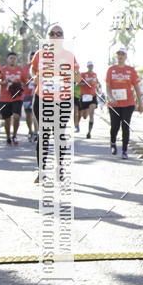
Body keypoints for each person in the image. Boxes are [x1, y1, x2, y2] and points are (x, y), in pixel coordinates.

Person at [31, 24, 81, 184]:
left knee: (59, 133)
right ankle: (41, 171)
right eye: (52, 33)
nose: (55, 36)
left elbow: (78, 78)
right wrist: (35, 77)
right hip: (42, 98)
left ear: (63, 37)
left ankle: (60, 170)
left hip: (63, 99)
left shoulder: (69, 55)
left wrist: (67, 73)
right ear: (48, 37)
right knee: (43, 134)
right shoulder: (40, 54)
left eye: (59, 33)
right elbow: (33, 70)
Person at [106, 48, 143, 158]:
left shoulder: (131, 70)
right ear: (116, 56)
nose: (120, 56)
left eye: (122, 54)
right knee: (115, 126)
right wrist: (110, 97)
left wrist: (140, 103)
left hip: (128, 103)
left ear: (126, 57)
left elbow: (137, 87)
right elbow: (107, 87)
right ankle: (113, 142)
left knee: (125, 126)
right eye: (119, 54)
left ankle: (124, 151)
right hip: (114, 104)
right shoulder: (111, 69)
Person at [0, 50, 27, 145]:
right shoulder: (3, 70)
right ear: (7, 59)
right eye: (11, 58)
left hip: (17, 97)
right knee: (7, 119)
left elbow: (26, 83)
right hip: (4, 97)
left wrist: (19, 84)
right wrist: (4, 82)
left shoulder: (20, 70)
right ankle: (8, 137)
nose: (13, 60)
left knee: (16, 116)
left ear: (16, 60)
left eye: (14, 58)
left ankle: (14, 135)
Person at [79, 61, 100, 138]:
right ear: (87, 67)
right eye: (89, 66)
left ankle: (89, 132)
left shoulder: (95, 75)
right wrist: (87, 82)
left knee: (92, 114)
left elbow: (97, 83)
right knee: (84, 116)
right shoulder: (83, 74)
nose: (91, 67)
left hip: (92, 96)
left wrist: (98, 88)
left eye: (92, 66)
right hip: (84, 96)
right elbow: (78, 84)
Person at [22, 51, 36, 141]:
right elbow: (22, 81)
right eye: (31, 58)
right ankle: (30, 130)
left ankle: (36, 132)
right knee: (28, 114)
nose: (32, 59)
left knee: (36, 114)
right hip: (27, 94)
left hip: (37, 94)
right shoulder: (25, 68)